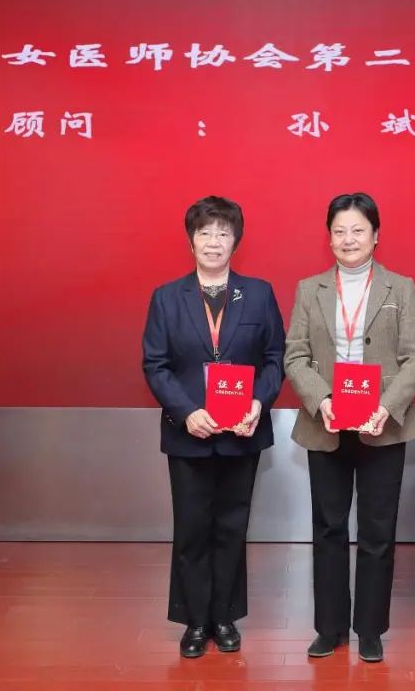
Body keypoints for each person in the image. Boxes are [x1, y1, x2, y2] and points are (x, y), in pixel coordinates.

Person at [284, 192, 415, 663]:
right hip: (325, 424)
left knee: (376, 531)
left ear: (375, 235)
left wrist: (387, 406)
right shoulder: (309, 289)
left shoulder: (400, 288)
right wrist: (322, 400)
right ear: (329, 237)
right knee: (327, 528)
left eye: (358, 230)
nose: (349, 239)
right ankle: (329, 628)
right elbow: (295, 356)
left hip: (381, 425)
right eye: (339, 231)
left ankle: (369, 628)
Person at [142, 196, 285, 658]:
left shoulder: (258, 294)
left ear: (236, 241)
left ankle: (224, 617)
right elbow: (156, 365)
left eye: (223, 233)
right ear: (191, 240)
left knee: (231, 527)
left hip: (242, 432)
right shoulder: (167, 298)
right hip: (189, 433)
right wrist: (187, 411)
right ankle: (194, 621)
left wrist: (259, 402)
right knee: (191, 529)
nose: (214, 241)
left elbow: (275, 359)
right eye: (205, 233)